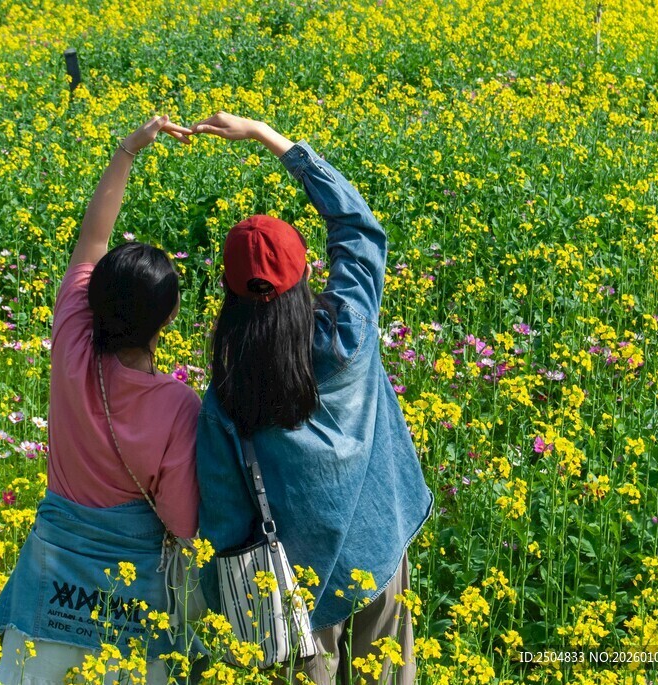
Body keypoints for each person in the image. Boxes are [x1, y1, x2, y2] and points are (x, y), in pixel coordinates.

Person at [193, 112, 435, 685]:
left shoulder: (227, 392)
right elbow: (359, 228)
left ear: (229, 293)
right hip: (378, 548)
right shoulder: (347, 331)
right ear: (306, 272)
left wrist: (231, 604)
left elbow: (226, 520)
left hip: (292, 591)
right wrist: (269, 137)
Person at [0, 115, 203, 685]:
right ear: (170, 317)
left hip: (49, 589)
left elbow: (92, 240)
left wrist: (128, 149)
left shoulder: (71, 347)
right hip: (131, 609)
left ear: (90, 301)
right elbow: (184, 523)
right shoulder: (178, 405)